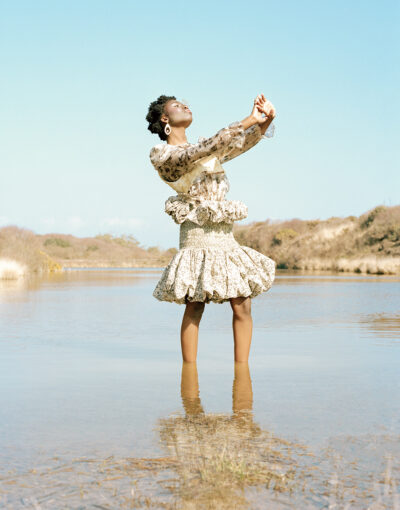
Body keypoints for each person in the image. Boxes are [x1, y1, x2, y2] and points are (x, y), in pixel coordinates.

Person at [146, 94, 276, 363]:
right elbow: (203, 149)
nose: (184, 105)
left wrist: (264, 122)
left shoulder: (205, 149)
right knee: (195, 304)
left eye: (185, 103)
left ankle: (242, 377)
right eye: (176, 105)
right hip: (196, 234)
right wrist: (248, 119)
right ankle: (190, 382)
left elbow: (237, 145)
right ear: (165, 119)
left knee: (242, 302)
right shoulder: (163, 154)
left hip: (223, 234)